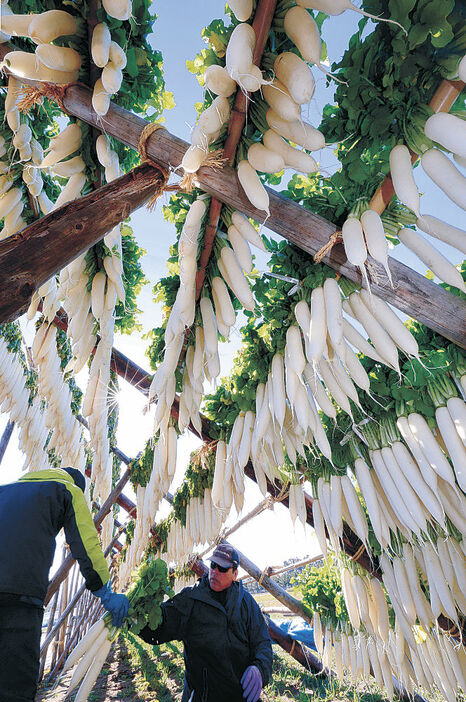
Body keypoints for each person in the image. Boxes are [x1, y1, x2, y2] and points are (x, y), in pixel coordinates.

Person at [0, 467, 129, 702]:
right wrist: (104, 590)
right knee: (14, 685)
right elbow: (86, 542)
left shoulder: (6, 489)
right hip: (19, 597)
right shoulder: (67, 489)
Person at [138, 543, 273, 702]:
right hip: (204, 696)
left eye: (222, 568)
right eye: (213, 565)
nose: (215, 571)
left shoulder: (246, 602)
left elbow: (262, 642)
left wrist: (259, 668)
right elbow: (158, 627)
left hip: (242, 694)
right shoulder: (191, 599)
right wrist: (137, 614)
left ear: (235, 574)